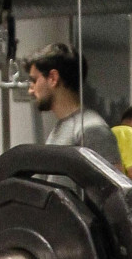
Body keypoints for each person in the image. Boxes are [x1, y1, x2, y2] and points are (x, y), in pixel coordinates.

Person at [25, 42, 122, 171]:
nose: (30, 91)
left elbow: (115, 189)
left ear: (53, 78)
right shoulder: (63, 126)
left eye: (34, 80)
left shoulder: (91, 129)